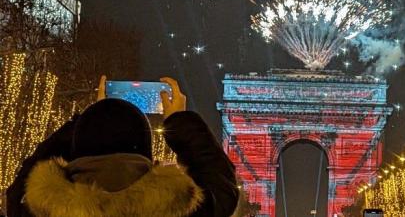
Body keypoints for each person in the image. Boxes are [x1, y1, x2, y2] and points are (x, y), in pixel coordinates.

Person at [6, 76, 239, 217]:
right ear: (145, 149)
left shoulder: (42, 210)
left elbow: (20, 187)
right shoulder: (176, 208)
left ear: (79, 144)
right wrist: (179, 120)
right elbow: (221, 184)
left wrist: (88, 119)